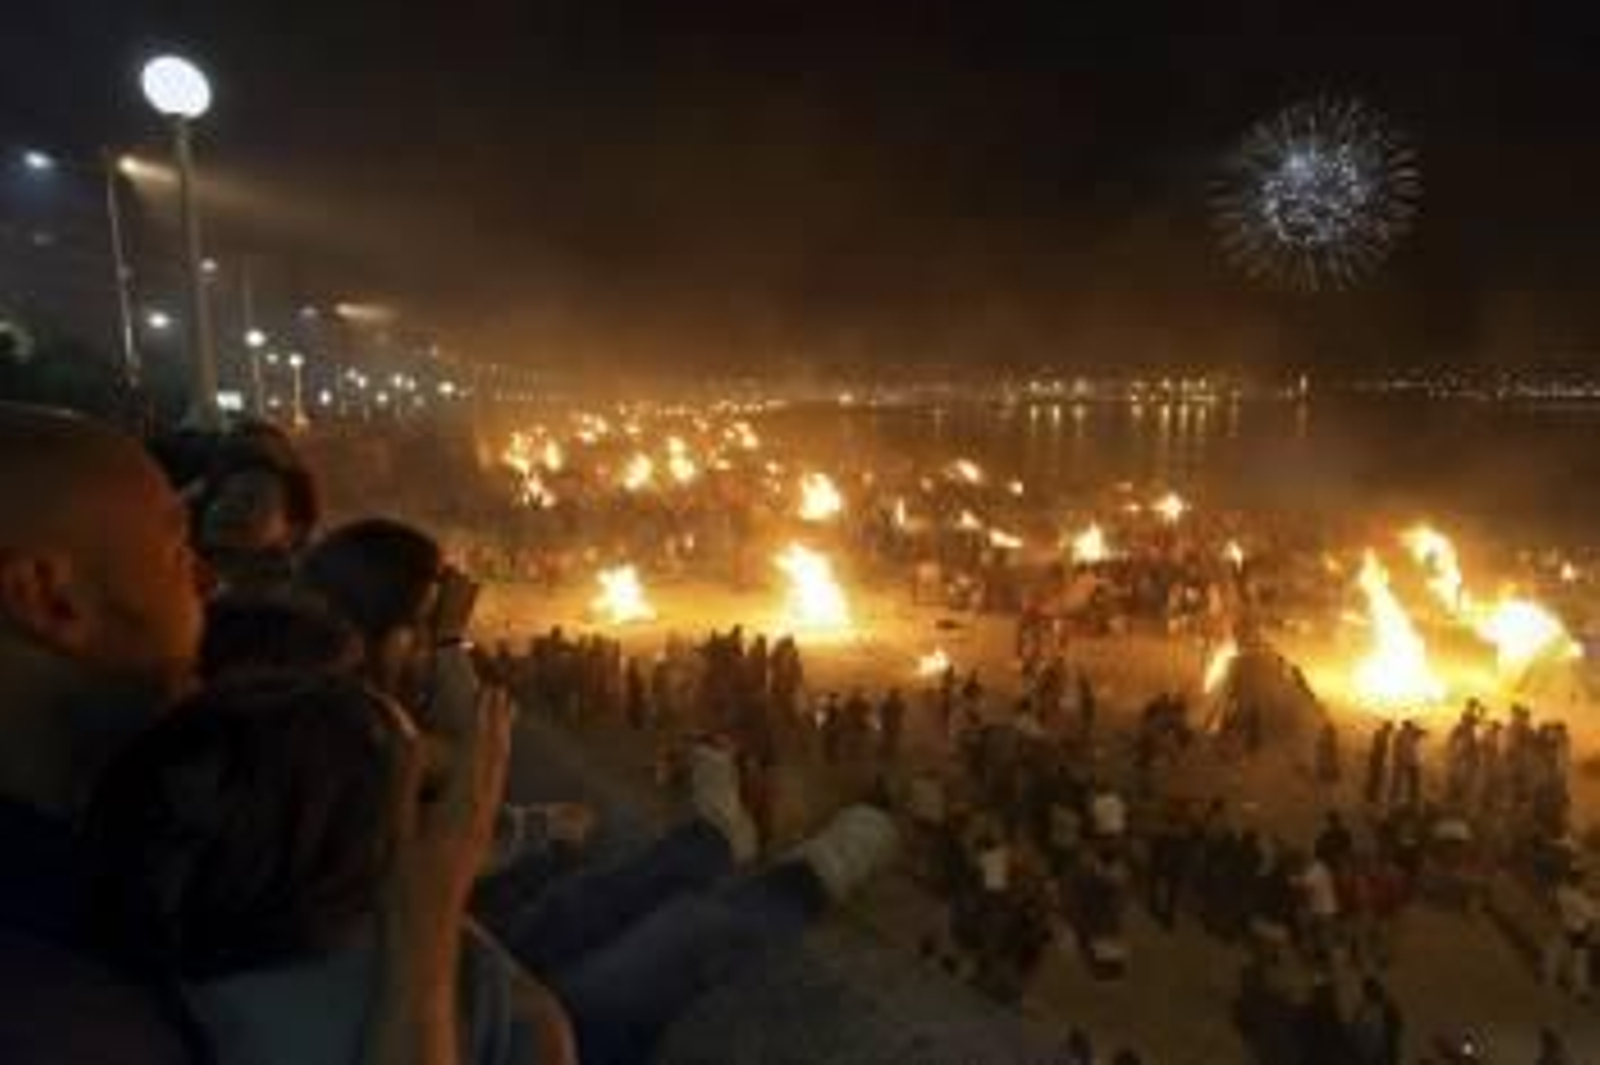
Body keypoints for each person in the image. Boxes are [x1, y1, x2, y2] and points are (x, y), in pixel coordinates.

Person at [0, 406, 471, 1065]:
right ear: (49, 597)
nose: (207, 578)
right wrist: (425, 940)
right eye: (174, 550)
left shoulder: (96, 832)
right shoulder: (54, 996)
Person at [1348, 976, 1403, 1065]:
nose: (1372, 993)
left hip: (1384, 1049)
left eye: (1374, 990)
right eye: (1369, 991)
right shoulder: (1362, 1010)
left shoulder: (1387, 1006)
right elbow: (1355, 1031)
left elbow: (1396, 1025)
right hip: (1368, 1052)